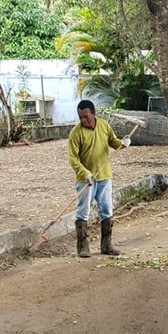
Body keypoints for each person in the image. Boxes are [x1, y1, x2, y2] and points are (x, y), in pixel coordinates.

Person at [68, 100, 131, 257]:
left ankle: (107, 246)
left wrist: (122, 144)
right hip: (86, 179)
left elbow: (113, 143)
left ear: (94, 114)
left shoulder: (103, 125)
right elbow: (73, 159)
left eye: (86, 117)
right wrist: (85, 173)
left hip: (104, 176)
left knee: (106, 209)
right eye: (80, 117)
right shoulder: (76, 133)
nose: (83, 120)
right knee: (83, 212)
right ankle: (83, 247)